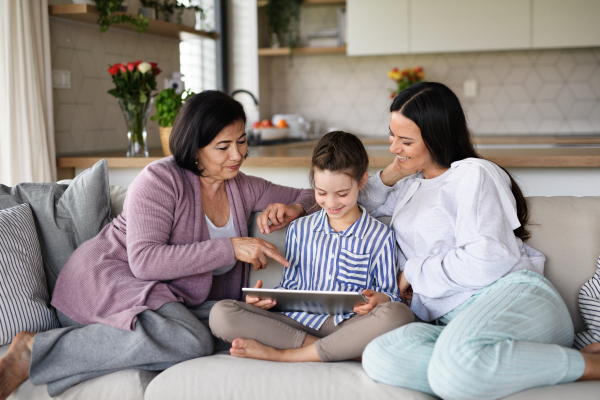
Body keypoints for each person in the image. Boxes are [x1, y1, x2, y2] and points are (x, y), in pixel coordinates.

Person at [0, 90, 316, 399]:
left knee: (237, 323)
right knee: (190, 341)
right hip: (106, 281)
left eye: (241, 141)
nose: (237, 155)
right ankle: (32, 350)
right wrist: (230, 247)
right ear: (196, 148)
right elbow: (145, 261)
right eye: (223, 146)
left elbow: (314, 194)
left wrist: (295, 209)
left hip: (164, 300)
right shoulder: (160, 180)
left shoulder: (243, 186)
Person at [359, 81, 600, 399]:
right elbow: (354, 205)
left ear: (437, 138)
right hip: (452, 324)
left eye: (405, 140)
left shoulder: (474, 174)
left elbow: (488, 260)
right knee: (380, 356)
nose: (393, 147)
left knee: (455, 369)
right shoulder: (409, 188)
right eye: (392, 135)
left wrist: (414, 271)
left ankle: (587, 364)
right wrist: (393, 172)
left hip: (514, 298)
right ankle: (481, 366)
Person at [209, 131, 414, 363]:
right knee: (221, 314)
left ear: (363, 181)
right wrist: (268, 301)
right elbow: (291, 286)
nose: (331, 203)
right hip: (298, 324)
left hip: (351, 325)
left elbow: (392, 296)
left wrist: (380, 300)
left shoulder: (381, 236)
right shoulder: (299, 229)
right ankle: (339, 352)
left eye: (342, 194)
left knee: (399, 314)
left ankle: (285, 354)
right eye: (322, 193)